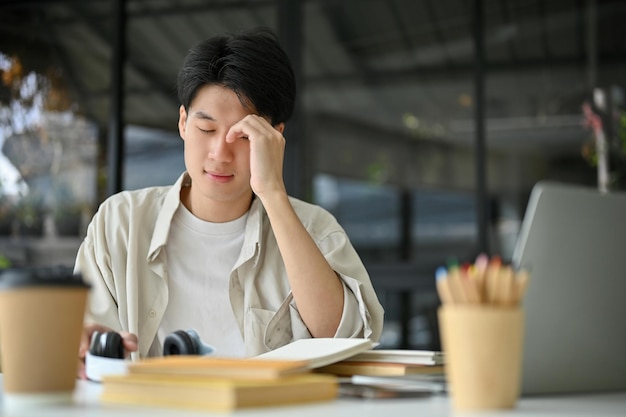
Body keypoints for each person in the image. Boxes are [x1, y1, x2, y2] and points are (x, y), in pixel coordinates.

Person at [75, 28, 384, 375]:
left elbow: (345, 339)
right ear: (182, 123)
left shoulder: (315, 229)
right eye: (206, 130)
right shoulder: (120, 224)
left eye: (243, 136)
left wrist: (273, 193)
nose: (220, 153)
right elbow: (81, 346)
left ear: (275, 136)